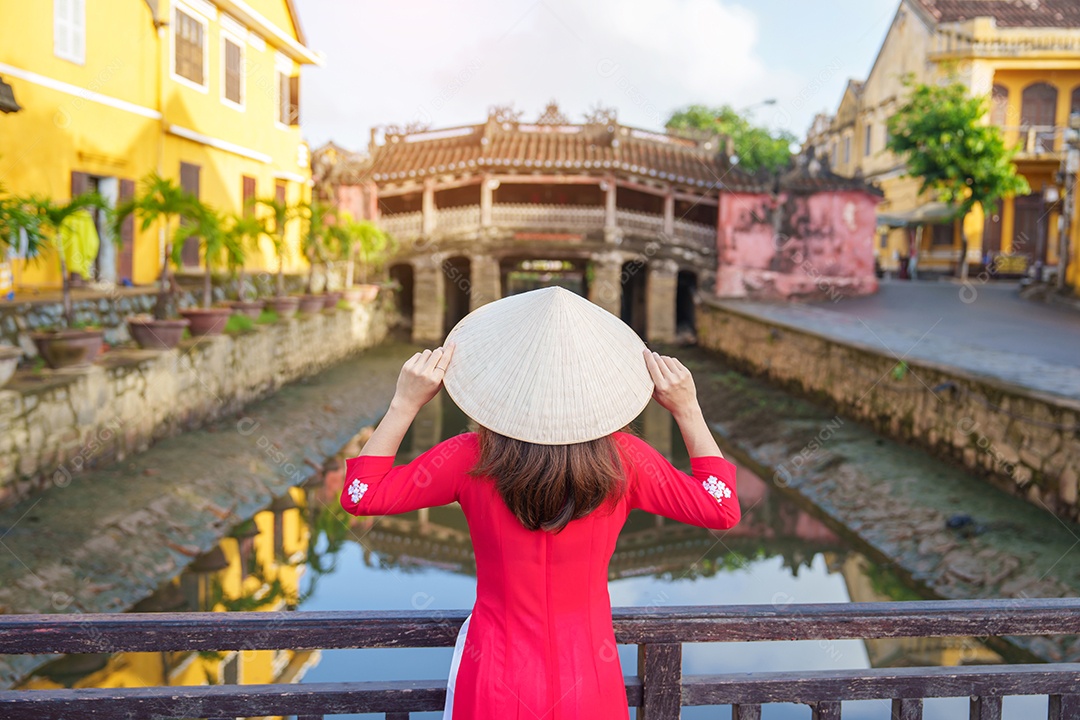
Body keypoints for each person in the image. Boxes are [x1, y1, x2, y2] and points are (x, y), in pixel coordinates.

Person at [340, 287, 741, 720]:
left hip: (493, 672)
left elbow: (362, 495)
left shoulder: (470, 457)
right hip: (589, 677)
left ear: (504, 380)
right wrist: (688, 409)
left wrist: (404, 402)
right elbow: (720, 507)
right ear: (596, 383)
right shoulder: (625, 460)